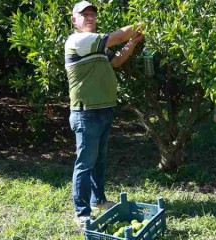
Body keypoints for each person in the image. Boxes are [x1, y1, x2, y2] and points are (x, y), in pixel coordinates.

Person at [64, 0, 143, 227]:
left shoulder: (96, 45)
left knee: (99, 161)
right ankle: (82, 212)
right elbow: (118, 37)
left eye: (92, 14)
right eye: (84, 14)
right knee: (85, 163)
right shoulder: (78, 40)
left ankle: (98, 200)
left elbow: (117, 61)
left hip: (104, 109)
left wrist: (133, 42)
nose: (90, 17)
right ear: (74, 21)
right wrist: (143, 21)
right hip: (86, 113)